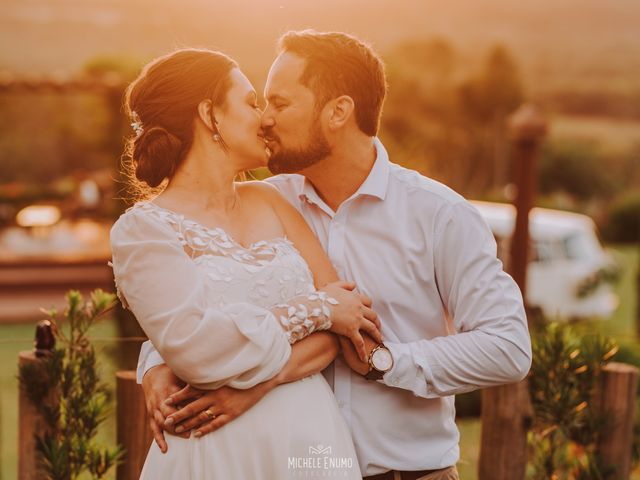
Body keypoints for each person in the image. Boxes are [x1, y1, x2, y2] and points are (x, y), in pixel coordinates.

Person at [139, 31, 533, 480]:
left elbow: (508, 347)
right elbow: (202, 295)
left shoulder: (439, 215)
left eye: (280, 104)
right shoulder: (262, 201)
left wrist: (387, 363)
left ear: (338, 112)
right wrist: (155, 364)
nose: (264, 120)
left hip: (407, 474)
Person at [110, 48, 386, 479]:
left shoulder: (272, 200)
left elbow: (342, 329)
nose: (265, 119)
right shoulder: (144, 230)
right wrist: (316, 310)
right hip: (214, 445)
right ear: (209, 114)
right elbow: (198, 352)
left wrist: (255, 386)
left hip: (309, 438)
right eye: (252, 102)